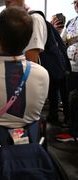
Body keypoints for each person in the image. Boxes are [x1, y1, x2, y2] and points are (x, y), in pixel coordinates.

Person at [56, 1, 78, 142]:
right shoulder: (71, 22)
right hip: (72, 67)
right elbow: (62, 41)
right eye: (75, 2)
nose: (76, 4)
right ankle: (74, 131)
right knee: (72, 99)